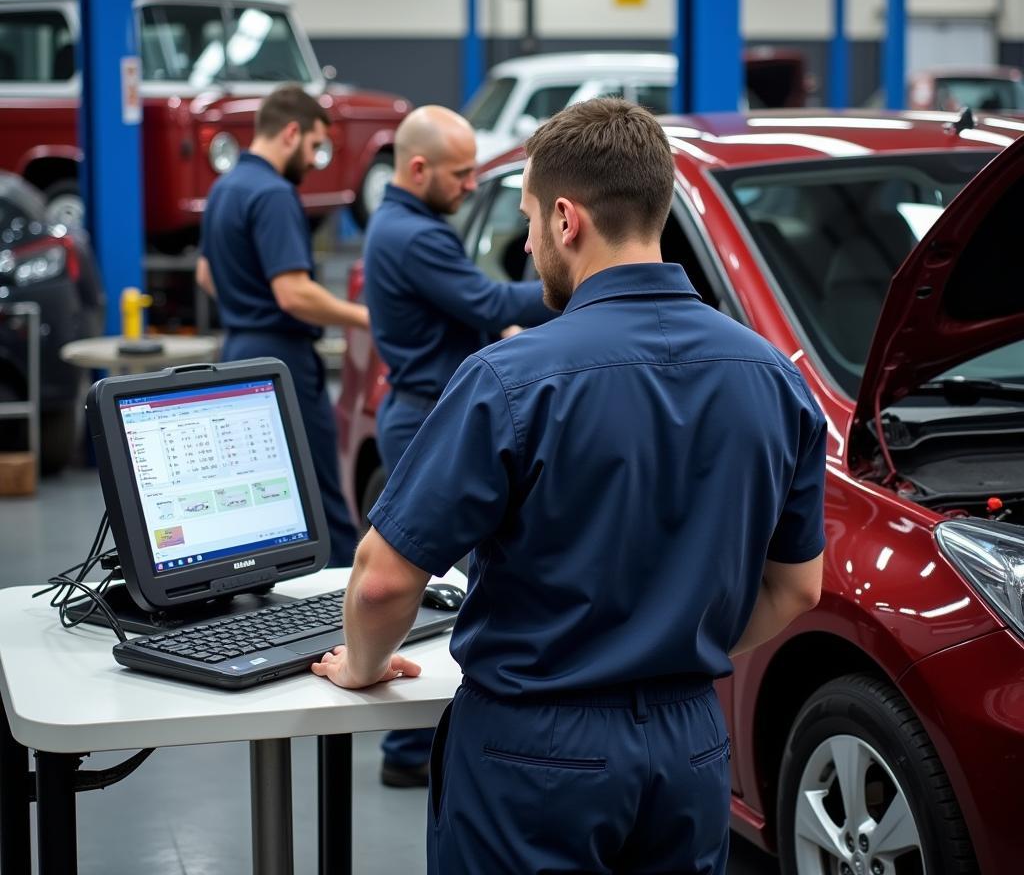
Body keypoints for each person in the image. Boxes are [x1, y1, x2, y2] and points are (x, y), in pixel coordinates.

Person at [312, 98, 825, 873]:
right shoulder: (776, 381)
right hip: (691, 748)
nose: (524, 241)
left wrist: (360, 664)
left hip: (534, 755)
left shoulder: (509, 382)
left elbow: (383, 582)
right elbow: (795, 591)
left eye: (525, 219)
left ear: (564, 219)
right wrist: (669, 650)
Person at [360, 103, 555, 787]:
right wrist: (586, 286)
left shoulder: (403, 224)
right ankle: (411, 752)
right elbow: (489, 305)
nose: (473, 185)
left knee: (443, 586)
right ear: (418, 168)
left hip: (419, 407)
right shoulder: (415, 237)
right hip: (427, 416)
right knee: (442, 591)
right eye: (462, 172)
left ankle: (415, 746)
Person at [196, 84, 368, 568]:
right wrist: (365, 318)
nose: (315, 160)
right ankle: (337, 610)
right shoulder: (273, 193)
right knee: (319, 496)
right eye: (315, 145)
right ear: (291, 132)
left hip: (236, 354)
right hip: (282, 361)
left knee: (257, 501)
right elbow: (293, 293)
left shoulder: (224, 187)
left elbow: (206, 274)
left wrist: (245, 304)